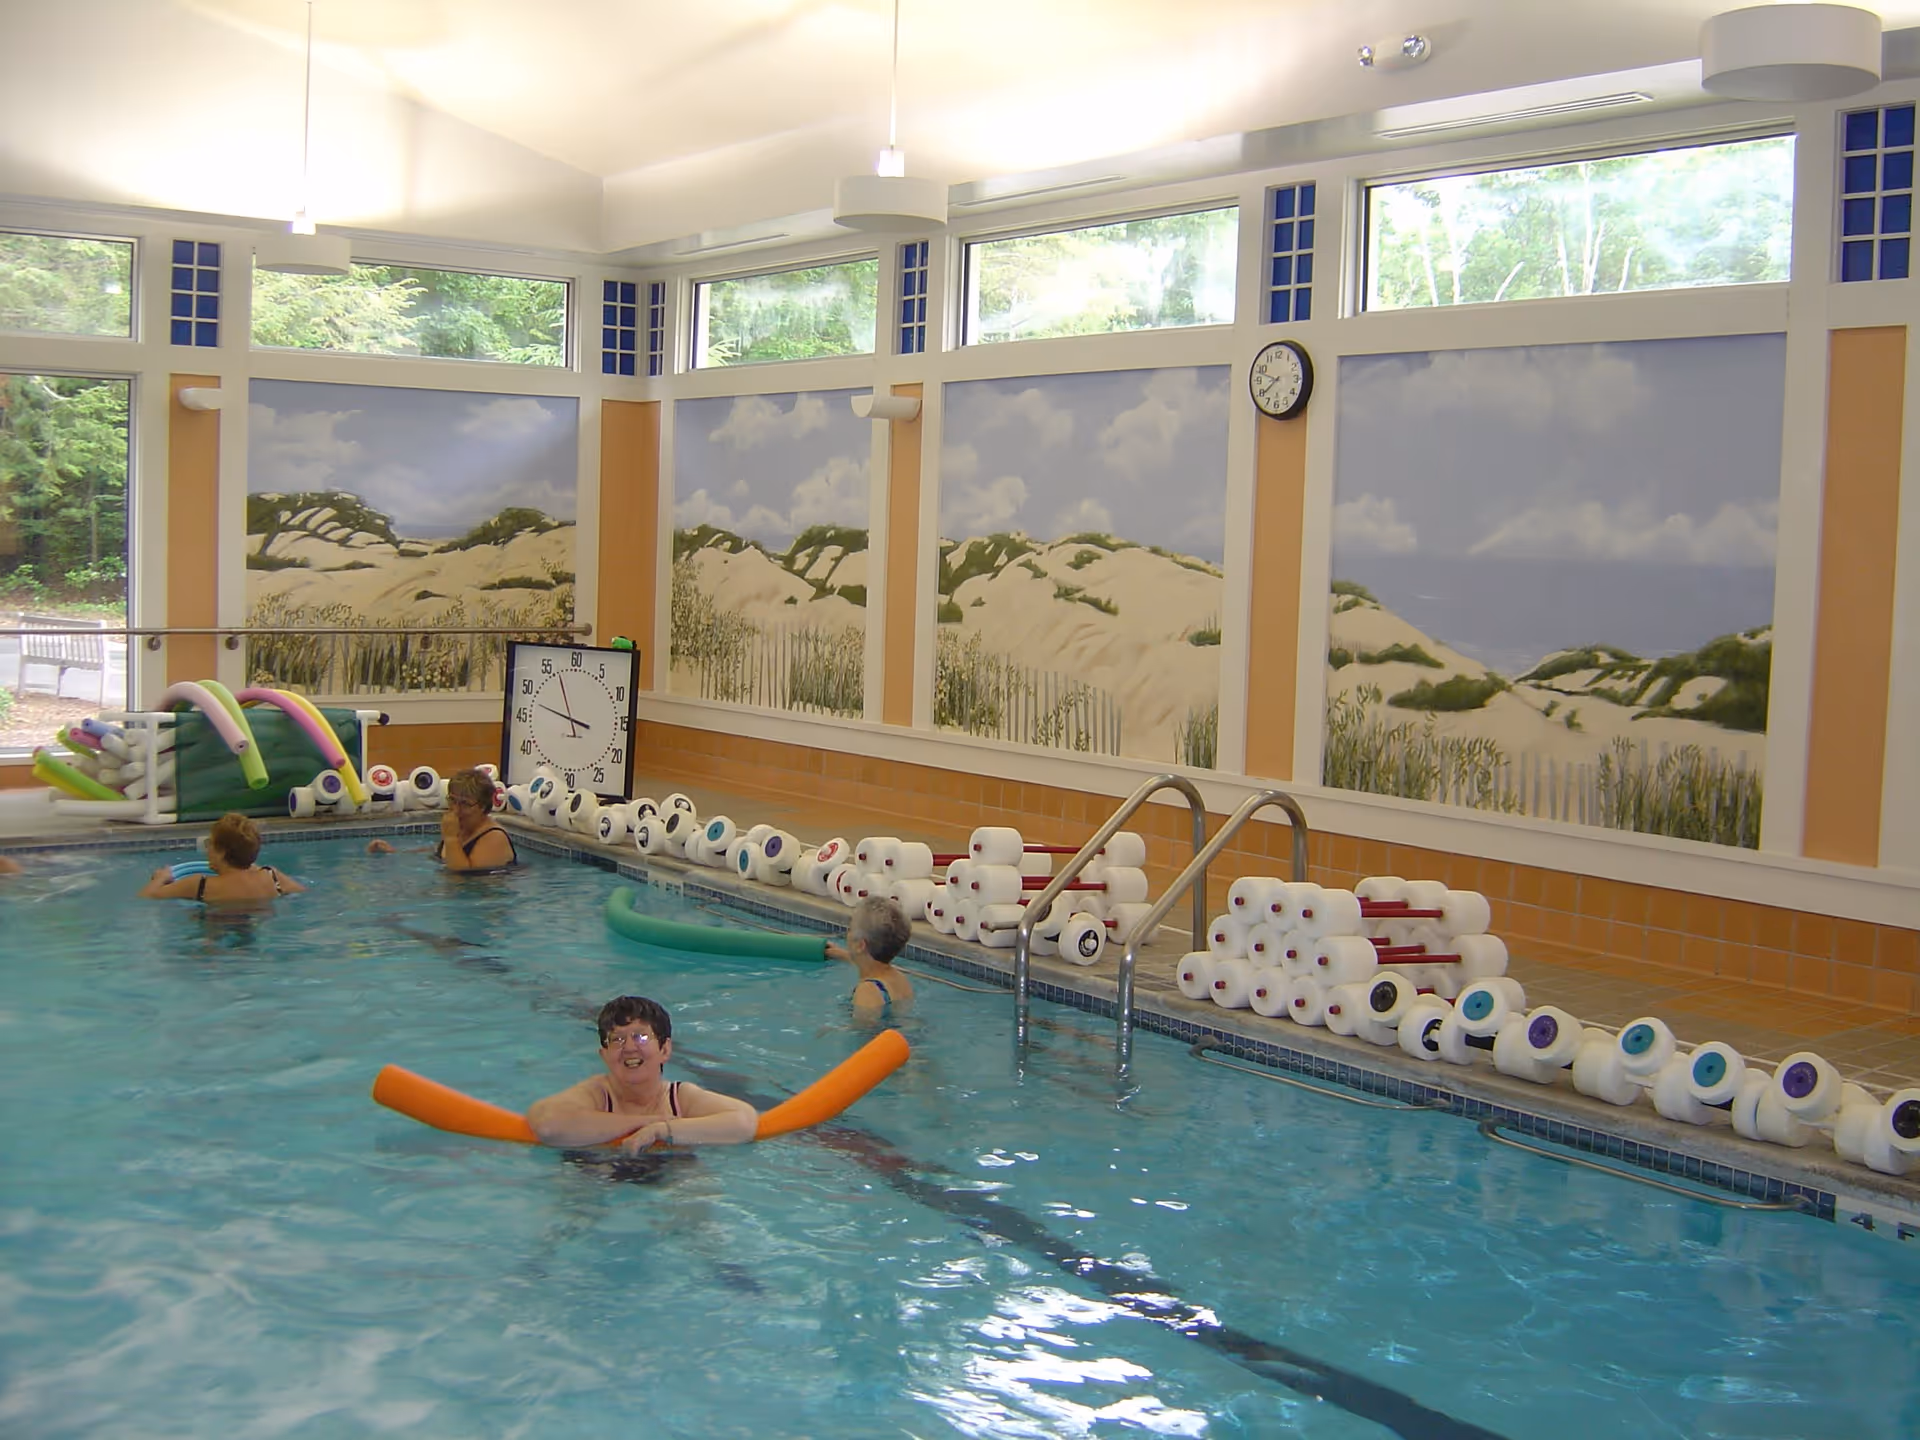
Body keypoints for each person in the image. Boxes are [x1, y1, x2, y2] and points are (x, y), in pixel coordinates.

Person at [526, 995, 758, 1153]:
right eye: (617, 1039)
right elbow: (549, 1125)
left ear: (665, 1049)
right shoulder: (597, 1094)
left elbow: (745, 1121)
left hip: (670, 1173)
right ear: (604, 1054)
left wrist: (662, 1130)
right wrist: (645, 1122)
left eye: (641, 1037)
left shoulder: (679, 1098)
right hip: (593, 1172)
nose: (628, 1047)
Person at [367, 767, 517, 871]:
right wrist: (394, 853)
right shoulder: (461, 827)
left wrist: (451, 838)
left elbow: (462, 879)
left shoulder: (493, 837)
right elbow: (439, 853)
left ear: (483, 806)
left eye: (465, 803)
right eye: (452, 800)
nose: (456, 809)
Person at [138, 813, 306, 902]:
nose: (207, 848)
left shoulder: (200, 885)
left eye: (210, 843)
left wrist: (160, 878)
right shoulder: (272, 876)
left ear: (221, 852)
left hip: (216, 931)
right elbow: (302, 892)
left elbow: (147, 896)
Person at [826, 895, 914, 1014]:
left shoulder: (867, 991)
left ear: (860, 946)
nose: (847, 933)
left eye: (850, 929)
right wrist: (841, 954)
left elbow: (863, 1032)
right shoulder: (900, 979)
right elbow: (869, 962)